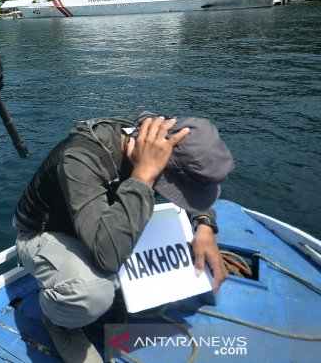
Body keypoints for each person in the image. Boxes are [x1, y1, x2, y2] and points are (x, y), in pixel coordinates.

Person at [13, 113, 235, 363]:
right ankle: (58, 320)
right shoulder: (81, 156)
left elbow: (191, 175)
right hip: (46, 233)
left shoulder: (154, 133)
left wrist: (204, 225)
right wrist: (143, 176)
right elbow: (106, 256)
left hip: (100, 223)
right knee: (94, 292)